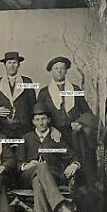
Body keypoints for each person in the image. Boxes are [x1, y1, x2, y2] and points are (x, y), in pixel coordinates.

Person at [17, 103, 83, 212]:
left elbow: (73, 156)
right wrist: (26, 165)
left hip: (51, 177)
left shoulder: (56, 138)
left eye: (44, 119)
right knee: (39, 167)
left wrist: (74, 164)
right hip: (27, 176)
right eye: (38, 119)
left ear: (49, 120)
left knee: (38, 183)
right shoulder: (26, 138)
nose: (41, 122)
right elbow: (16, 162)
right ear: (33, 122)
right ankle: (61, 208)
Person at [37, 56, 98, 187]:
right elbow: (40, 115)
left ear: (66, 71)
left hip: (74, 132)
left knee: (79, 159)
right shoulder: (44, 92)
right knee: (55, 157)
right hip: (55, 133)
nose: (59, 71)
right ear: (51, 71)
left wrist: (80, 123)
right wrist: (52, 128)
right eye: (56, 68)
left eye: (62, 68)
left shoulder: (75, 90)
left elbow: (87, 111)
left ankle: (81, 190)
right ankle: (58, 184)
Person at [0, 51, 36, 139]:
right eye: (9, 63)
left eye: (14, 63)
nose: (12, 66)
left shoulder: (27, 81)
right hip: (3, 127)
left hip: (24, 128)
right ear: (5, 65)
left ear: (19, 65)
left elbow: (33, 104)